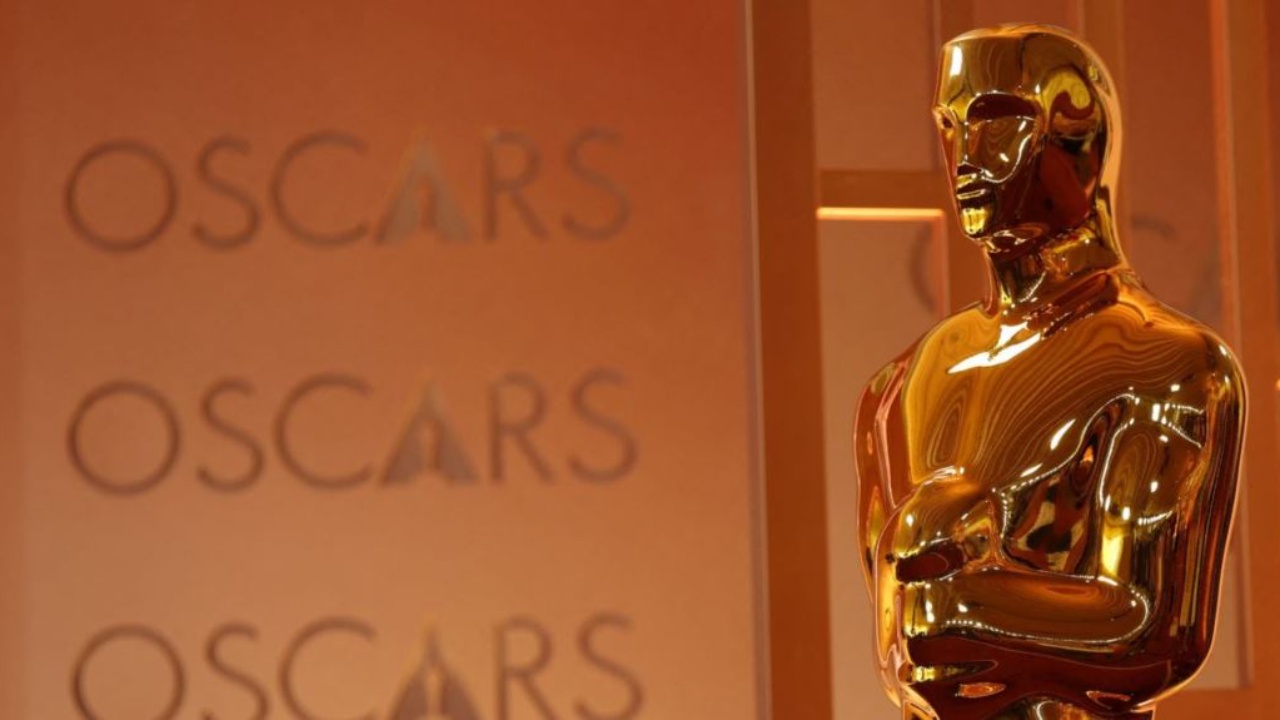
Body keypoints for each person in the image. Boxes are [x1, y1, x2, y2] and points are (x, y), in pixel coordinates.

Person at [855, 24, 1245, 720]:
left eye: (998, 121)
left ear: (1079, 137)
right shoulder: (900, 387)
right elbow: (897, 653)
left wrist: (966, 608)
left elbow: (1154, 631)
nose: (966, 156)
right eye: (949, 125)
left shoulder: (1169, 365)